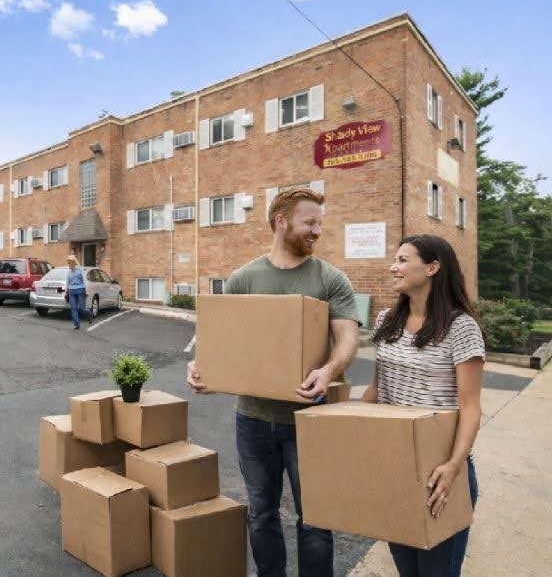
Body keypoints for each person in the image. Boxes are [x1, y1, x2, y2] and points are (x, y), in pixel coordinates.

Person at [186, 187, 360, 577]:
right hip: (253, 420)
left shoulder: (330, 278)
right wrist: (202, 368)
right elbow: (224, 343)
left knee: (315, 518)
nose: (318, 231)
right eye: (310, 222)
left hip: (310, 421)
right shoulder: (244, 279)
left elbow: (348, 338)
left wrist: (329, 370)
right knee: (262, 513)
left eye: (320, 223)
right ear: (281, 222)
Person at [361, 235, 484, 577]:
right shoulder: (387, 320)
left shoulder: (461, 328)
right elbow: (377, 386)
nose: (392, 267)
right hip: (394, 464)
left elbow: (470, 407)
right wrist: (351, 430)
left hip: (439, 472)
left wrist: (454, 466)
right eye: (394, 259)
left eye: (402, 260)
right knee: (408, 572)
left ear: (432, 267)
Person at [65, 254, 93, 329]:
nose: (69, 265)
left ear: (74, 263)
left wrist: (86, 290)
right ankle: (76, 324)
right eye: (68, 263)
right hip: (72, 292)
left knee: (82, 308)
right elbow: (67, 282)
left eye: (69, 263)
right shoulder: (69, 272)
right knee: (73, 308)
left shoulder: (80, 270)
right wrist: (65, 291)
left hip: (80, 290)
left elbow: (85, 280)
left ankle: (89, 314)